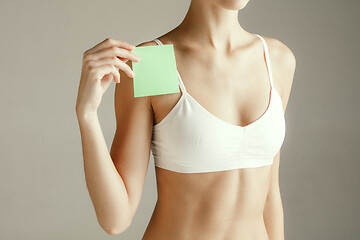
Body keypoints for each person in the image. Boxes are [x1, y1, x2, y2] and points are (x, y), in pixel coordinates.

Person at [75, 0, 296, 239]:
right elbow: (116, 220)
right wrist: (87, 114)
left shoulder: (275, 59)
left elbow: (270, 195)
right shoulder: (155, 62)